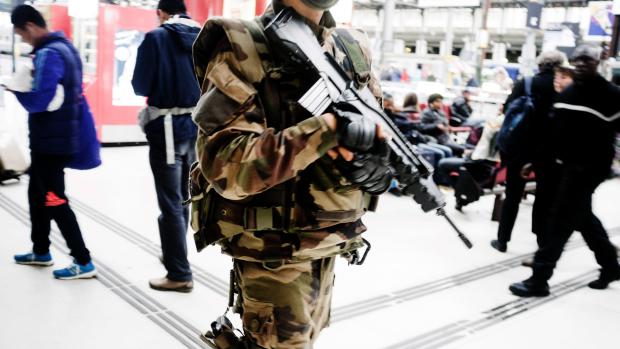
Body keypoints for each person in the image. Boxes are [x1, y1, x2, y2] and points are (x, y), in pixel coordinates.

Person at [190, 0, 393, 347]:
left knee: (308, 338)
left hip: (329, 239)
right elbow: (227, 167)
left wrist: (372, 162)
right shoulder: (242, 45)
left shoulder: (351, 48)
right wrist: (328, 128)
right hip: (274, 253)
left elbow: (374, 128)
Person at [509, 45, 620, 297]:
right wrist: (534, 161)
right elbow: (553, 134)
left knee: (560, 221)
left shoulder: (611, 94)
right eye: (577, 60)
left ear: (598, 62)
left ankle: (539, 279)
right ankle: (611, 266)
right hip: (567, 167)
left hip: (591, 170)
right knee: (582, 218)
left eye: (587, 60)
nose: (581, 64)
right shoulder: (568, 94)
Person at [9, 5, 97, 279]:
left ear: (30, 27)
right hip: (55, 139)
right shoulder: (66, 48)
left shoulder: (49, 53)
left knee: (54, 199)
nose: (24, 40)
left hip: (52, 143)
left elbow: (39, 101)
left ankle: (83, 260)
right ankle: (41, 250)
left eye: (22, 35)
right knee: (37, 194)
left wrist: (14, 89)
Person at [131, 0, 201, 293]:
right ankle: (175, 254)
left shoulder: (156, 37)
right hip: (196, 127)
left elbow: (140, 86)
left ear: (161, 13)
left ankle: (179, 273)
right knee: (183, 198)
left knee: (170, 202)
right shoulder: (203, 35)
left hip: (166, 131)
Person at [490, 51, 566, 253]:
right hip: (550, 151)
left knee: (513, 194)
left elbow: (508, 110)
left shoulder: (527, 83)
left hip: (521, 149)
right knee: (544, 197)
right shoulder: (563, 87)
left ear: (540, 64)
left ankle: (503, 240)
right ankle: (541, 241)